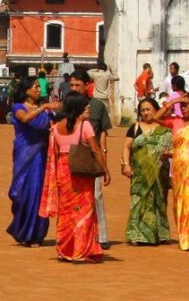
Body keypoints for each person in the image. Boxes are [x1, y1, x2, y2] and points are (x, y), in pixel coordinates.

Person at [40, 92, 109, 262]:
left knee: (66, 212)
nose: (88, 108)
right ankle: (81, 249)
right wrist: (105, 169)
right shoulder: (85, 126)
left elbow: (55, 152)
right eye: (85, 106)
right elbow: (95, 149)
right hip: (81, 172)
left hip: (63, 171)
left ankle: (65, 249)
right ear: (77, 108)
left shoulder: (55, 127)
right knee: (84, 210)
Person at [6, 77, 60, 246]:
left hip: (41, 156)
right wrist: (44, 107)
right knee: (20, 192)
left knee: (38, 192)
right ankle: (21, 228)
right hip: (24, 155)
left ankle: (35, 233)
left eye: (39, 87)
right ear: (27, 90)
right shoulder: (18, 107)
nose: (38, 89)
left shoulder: (46, 111)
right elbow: (25, 118)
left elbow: (54, 126)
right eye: (35, 86)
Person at [155, 93, 189, 251]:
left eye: (186, 105)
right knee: (180, 204)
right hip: (178, 169)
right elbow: (155, 118)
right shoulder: (176, 122)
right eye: (182, 105)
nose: (183, 108)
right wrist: (174, 101)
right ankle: (185, 237)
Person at [70, 69, 112, 249]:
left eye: (77, 85)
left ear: (88, 85)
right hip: (71, 156)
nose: (74, 88)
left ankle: (101, 236)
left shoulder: (97, 107)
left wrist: (104, 156)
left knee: (96, 195)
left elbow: (102, 133)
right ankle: (75, 233)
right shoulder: (67, 105)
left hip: (92, 155)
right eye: (72, 85)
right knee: (72, 197)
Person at [121, 99, 172, 245]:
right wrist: (126, 165)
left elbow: (175, 147)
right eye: (142, 110)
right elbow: (126, 147)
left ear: (156, 110)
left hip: (160, 172)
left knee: (159, 201)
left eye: (148, 109)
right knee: (138, 201)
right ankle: (137, 235)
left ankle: (158, 234)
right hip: (139, 172)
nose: (145, 113)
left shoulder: (165, 128)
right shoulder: (135, 127)